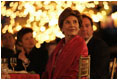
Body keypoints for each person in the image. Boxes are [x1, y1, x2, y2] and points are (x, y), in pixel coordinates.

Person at [42, 7, 88, 79]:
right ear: (62, 27)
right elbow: (49, 70)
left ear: (79, 26)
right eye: (67, 22)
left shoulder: (80, 44)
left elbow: (76, 72)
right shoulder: (60, 44)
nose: (72, 25)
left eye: (75, 22)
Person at [79, 14, 110, 79]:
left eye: (87, 26)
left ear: (92, 29)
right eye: (81, 26)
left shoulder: (100, 46)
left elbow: (99, 73)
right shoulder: (76, 46)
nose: (84, 29)